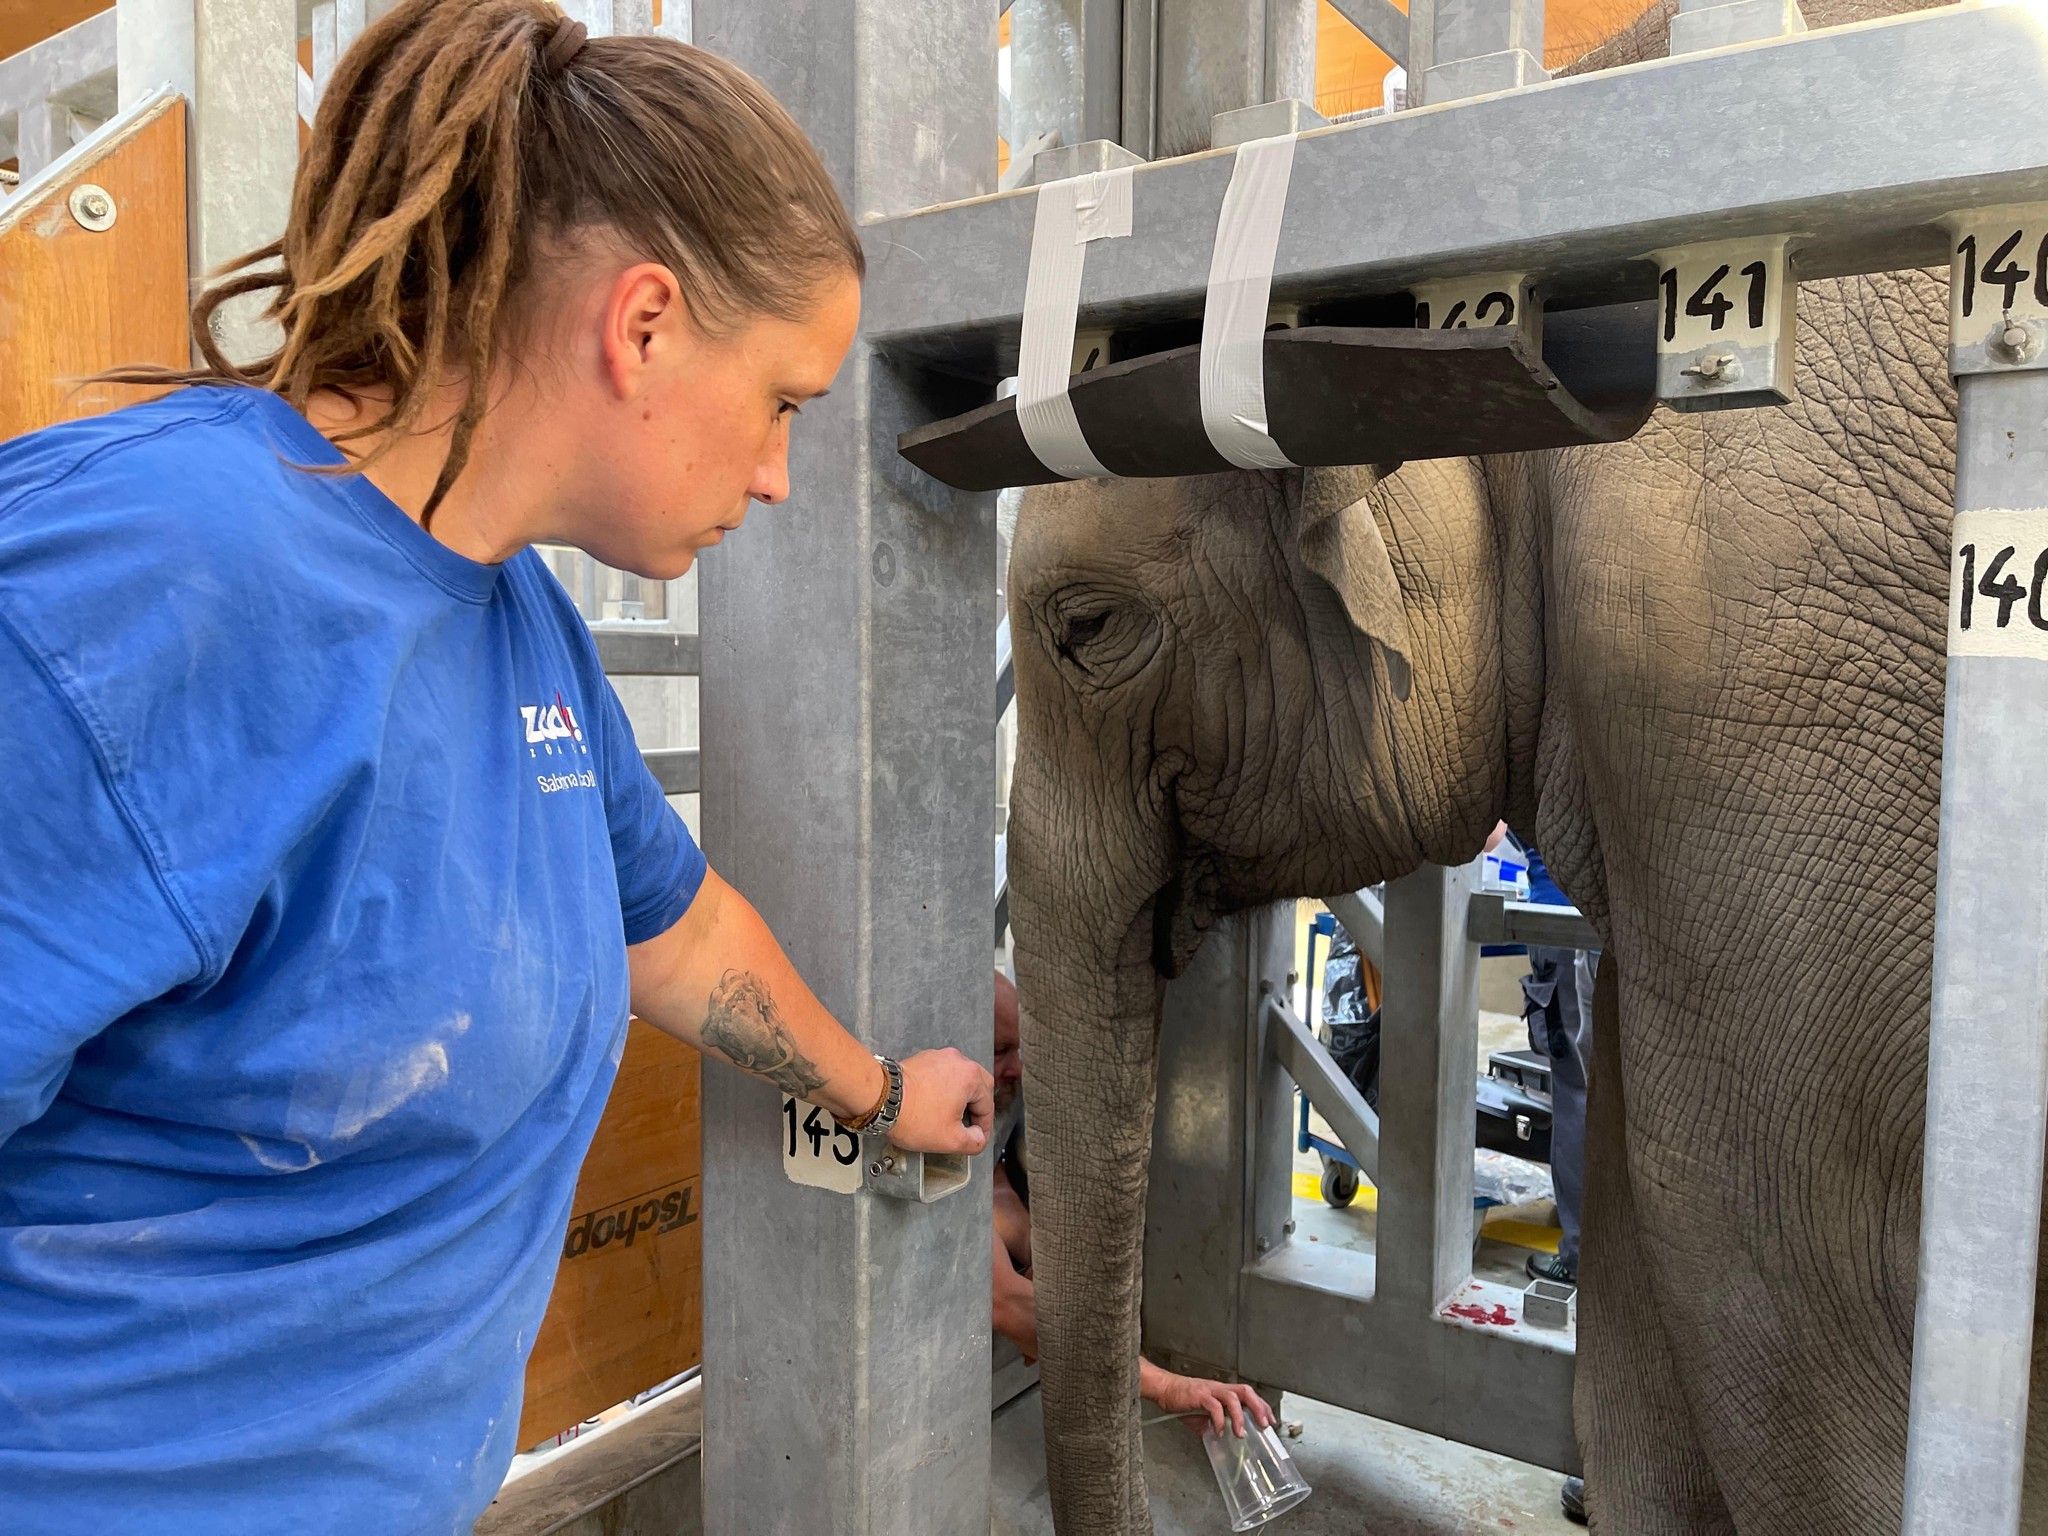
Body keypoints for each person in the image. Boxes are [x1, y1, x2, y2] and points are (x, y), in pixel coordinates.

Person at [0, 6, 992, 1532]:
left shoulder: (519, 623)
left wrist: (880, 1093)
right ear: (643, 325)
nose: (781, 473)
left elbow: (676, 933)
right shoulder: (144, 581)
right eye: (783, 401)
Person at [988, 974, 1274, 1438]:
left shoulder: (994, 1100)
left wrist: (1045, 1264)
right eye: (1000, 1050)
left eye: (1019, 1048)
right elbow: (1002, 1300)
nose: (1017, 1067)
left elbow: (994, 1194)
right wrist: (1165, 1385)